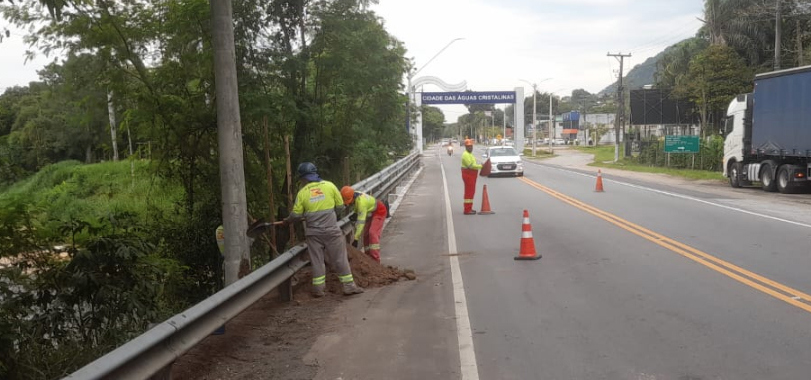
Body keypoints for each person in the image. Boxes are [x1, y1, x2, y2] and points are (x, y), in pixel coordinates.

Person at [284, 162, 364, 297]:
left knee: (317, 261)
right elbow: (340, 206)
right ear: (315, 174)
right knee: (340, 259)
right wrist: (328, 213)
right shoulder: (330, 186)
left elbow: (296, 215)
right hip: (332, 230)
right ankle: (349, 287)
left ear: (303, 178)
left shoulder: (302, 193)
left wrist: (288, 220)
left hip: (313, 234)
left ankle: (319, 290)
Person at [340, 186, 387, 263]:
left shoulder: (361, 203)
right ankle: (368, 256)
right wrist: (355, 213)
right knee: (366, 235)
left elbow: (360, 223)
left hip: (379, 211)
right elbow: (356, 204)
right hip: (370, 213)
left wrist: (356, 238)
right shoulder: (355, 195)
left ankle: (375, 259)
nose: (348, 204)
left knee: (372, 232)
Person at [461, 138, 482, 215]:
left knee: (471, 192)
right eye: (469, 146)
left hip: (471, 175)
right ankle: (467, 209)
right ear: (466, 147)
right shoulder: (465, 155)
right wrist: (481, 166)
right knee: (469, 193)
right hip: (468, 175)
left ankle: (469, 208)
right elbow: (471, 166)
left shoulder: (469, 154)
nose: (471, 148)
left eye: (471, 146)